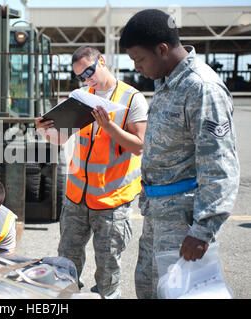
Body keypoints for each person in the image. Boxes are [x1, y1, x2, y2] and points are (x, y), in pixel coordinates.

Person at [119, 9, 240, 299]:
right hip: (158, 214)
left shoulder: (201, 88)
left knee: (179, 295)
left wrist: (203, 231)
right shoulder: (166, 81)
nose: (137, 67)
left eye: (139, 59)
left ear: (162, 50)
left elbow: (219, 165)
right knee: (149, 289)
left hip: (183, 220)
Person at [35, 46, 149, 298]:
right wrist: (43, 129)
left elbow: (139, 146)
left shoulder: (131, 99)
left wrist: (108, 126)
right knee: (65, 266)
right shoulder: (82, 98)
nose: (87, 79)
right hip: (76, 199)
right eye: (81, 76)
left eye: (89, 71)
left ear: (103, 62)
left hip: (111, 202)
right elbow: (59, 139)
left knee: (107, 273)